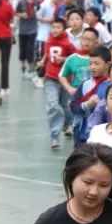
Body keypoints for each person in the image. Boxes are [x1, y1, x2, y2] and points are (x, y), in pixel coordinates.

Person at [38, 17, 78, 150]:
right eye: (53, 27)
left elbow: (75, 58)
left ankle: (69, 124)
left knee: (65, 105)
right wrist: (42, 61)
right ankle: (54, 135)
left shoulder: (67, 43)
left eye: (58, 27)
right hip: (50, 77)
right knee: (53, 104)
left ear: (63, 29)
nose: (55, 30)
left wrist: (65, 59)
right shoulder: (48, 41)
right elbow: (47, 53)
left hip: (65, 79)